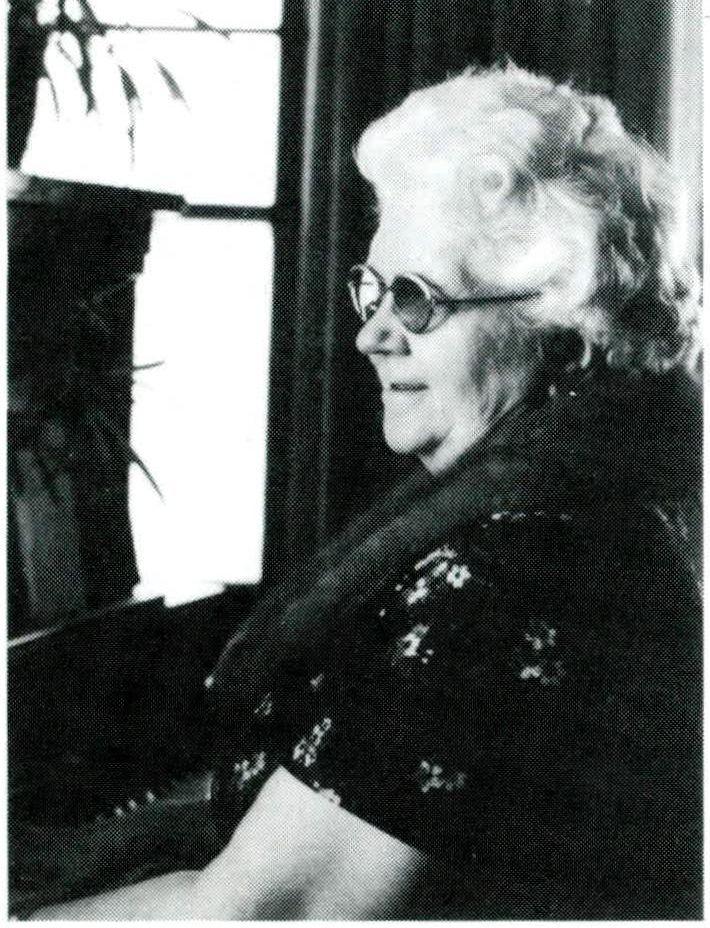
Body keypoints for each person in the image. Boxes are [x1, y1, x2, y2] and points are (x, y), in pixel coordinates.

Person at [21, 61, 701, 920]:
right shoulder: (569, 518)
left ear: (556, 328)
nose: (371, 335)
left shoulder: (519, 571)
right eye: (375, 290)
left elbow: (259, 915)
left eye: (416, 300)